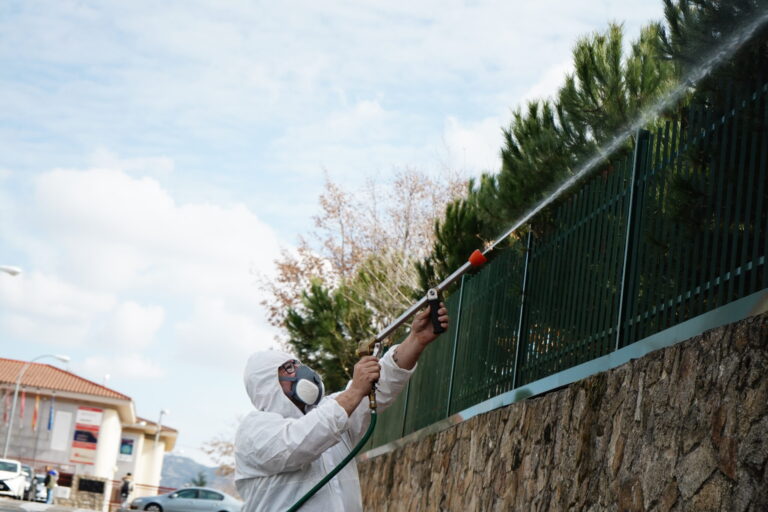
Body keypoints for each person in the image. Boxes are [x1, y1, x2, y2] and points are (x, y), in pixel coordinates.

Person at [234, 304, 449, 511]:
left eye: (298, 364)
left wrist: (415, 340)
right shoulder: (254, 431)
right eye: (289, 368)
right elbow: (296, 444)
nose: (301, 371)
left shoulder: (331, 412)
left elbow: (380, 385)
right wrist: (354, 391)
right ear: (268, 386)